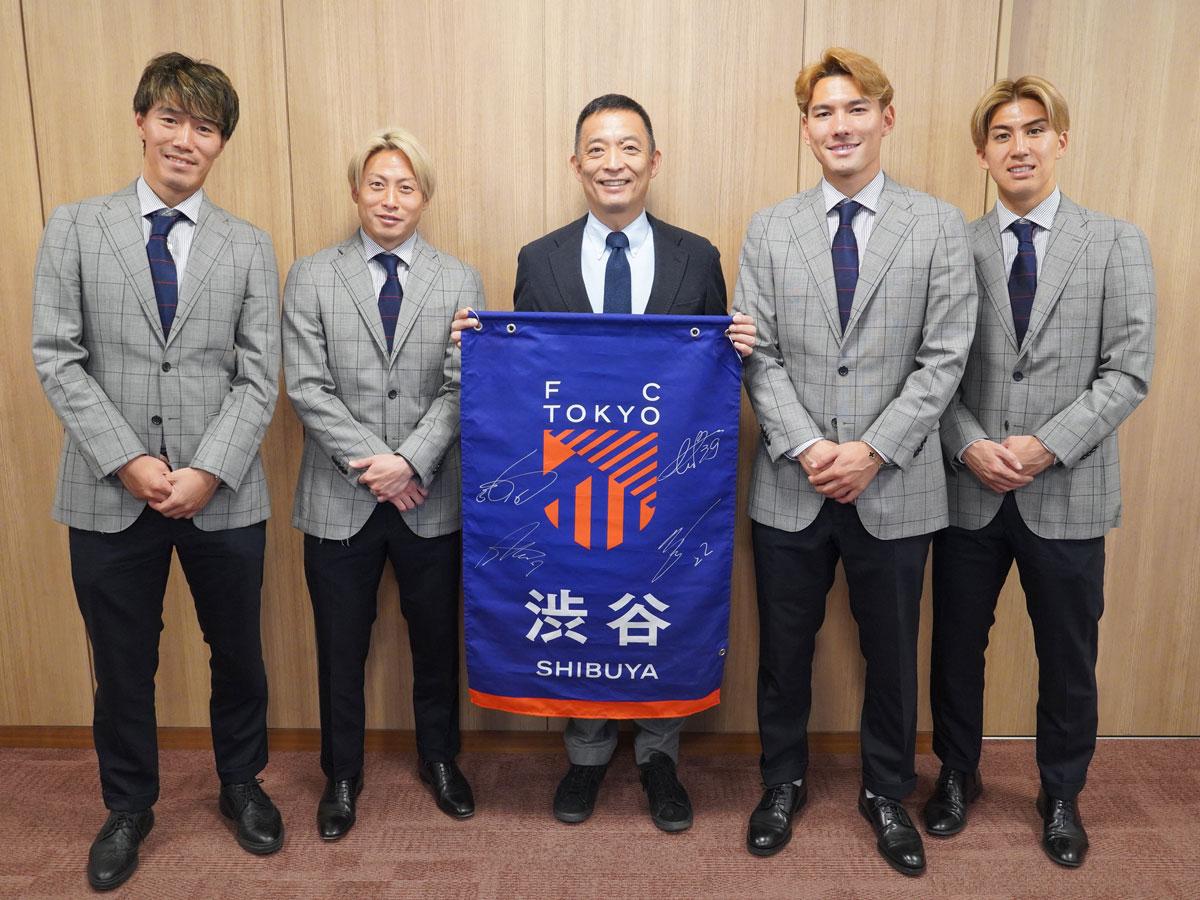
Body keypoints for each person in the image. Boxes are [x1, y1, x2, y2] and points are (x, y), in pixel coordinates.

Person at [453, 93, 755, 833]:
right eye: (597, 148)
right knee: (579, 586)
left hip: (664, 478)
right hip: (574, 473)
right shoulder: (540, 258)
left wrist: (736, 346)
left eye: (628, 148)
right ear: (575, 164)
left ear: (654, 161)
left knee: (664, 596)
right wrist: (480, 344)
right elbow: (528, 376)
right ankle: (585, 755)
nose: (612, 163)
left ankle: (659, 757)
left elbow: (707, 373)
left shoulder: (697, 256)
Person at [31, 52, 283, 891]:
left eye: (204, 127)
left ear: (221, 144)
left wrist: (208, 469)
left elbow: (259, 375)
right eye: (171, 119)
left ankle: (241, 783)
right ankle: (129, 807)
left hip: (223, 494)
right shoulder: (75, 226)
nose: (185, 139)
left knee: (238, 652)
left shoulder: (248, 245)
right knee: (123, 662)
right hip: (108, 491)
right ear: (141, 121)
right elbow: (57, 356)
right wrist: (130, 460)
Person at [736, 48, 975, 875]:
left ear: (886, 117)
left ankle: (886, 791)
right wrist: (810, 447)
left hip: (897, 483)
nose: (839, 126)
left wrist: (872, 450)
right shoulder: (769, 228)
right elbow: (756, 354)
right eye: (823, 113)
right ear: (806, 130)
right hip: (791, 481)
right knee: (783, 651)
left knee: (893, 654)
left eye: (855, 109)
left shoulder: (938, 224)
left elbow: (945, 357)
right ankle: (781, 782)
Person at [923, 76, 1155, 868]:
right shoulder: (954, 245)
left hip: (1070, 489)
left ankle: (1061, 793)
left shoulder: (1116, 242)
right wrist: (967, 444)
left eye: (1033, 130)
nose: (1017, 147)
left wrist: (1046, 445)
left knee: (1067, 655)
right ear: (981, 153)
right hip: (969, 489)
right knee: (956, 647)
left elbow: (1127, 371)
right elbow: (932, 370)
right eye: (1001, 135)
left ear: (1061, 140)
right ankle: (957, 775)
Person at [283, 127, 483, 841]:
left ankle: (440, 759)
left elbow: (463, 385)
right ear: (355, 191)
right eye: (377, 184)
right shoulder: (311, 275)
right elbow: (307, 388)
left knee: (436, 643)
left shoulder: (460, 279)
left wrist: (412, 462)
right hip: (339, 498)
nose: (390, 199)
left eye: (405, 186)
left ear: (424, 197)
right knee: (340, 648)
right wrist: (379, 465)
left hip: (431, 497)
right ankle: (341, 775)